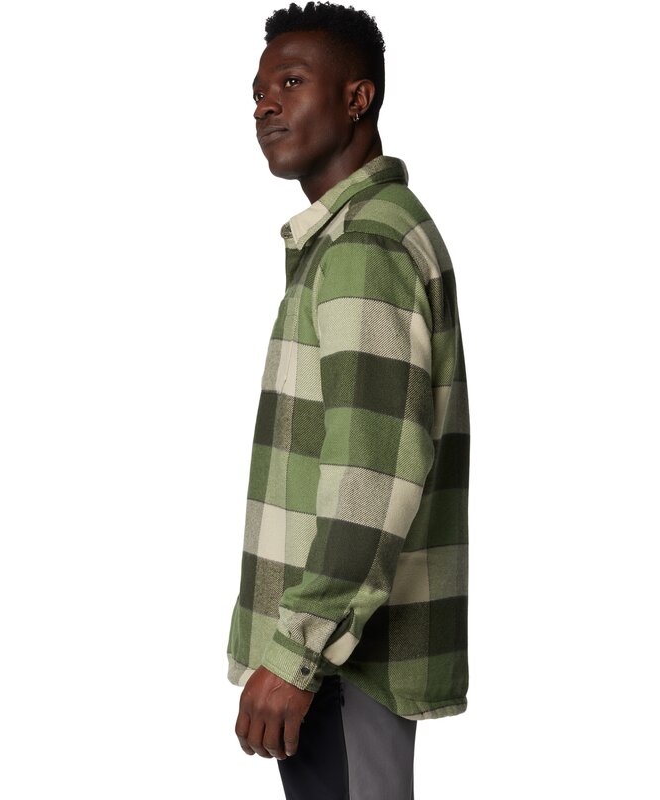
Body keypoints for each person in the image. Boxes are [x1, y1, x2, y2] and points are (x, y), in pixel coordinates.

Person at [226, 3, 470, 798]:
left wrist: (296, 653)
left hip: (341, 665)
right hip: (338, 656)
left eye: (291, 83)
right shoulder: (357, 235)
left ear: (358, 98)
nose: (265, 106)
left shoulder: (365, 245)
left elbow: (374, 477)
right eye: (258, 92)